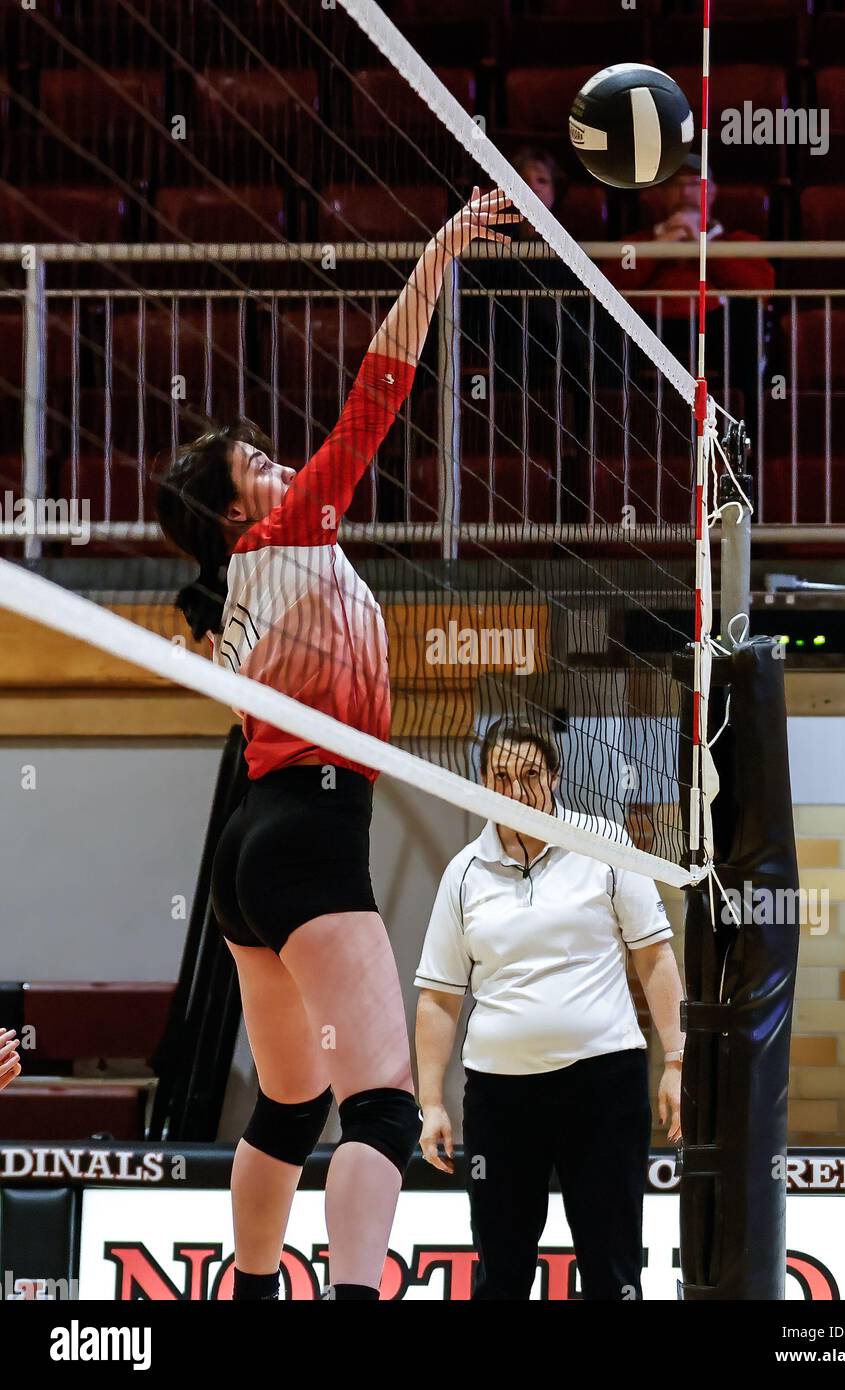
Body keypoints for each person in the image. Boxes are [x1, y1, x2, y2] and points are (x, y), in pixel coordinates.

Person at [154, 188, 518, 1302]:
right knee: (385, 1107)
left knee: (291, 1099)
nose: (277, 463)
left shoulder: (252, 586)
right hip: (310, 835)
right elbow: (379, 390)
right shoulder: (288, 530)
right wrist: (442, 251)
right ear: (234, 516)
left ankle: (252, 1290)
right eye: (254, 464)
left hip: (249, 856)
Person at [415, 720, 685, 1301]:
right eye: (502, 777)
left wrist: (679, 1062)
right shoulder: (463, 873)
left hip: (603, 1085)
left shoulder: (605, 844)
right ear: (483, 784)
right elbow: (439, 997)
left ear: (556, 777)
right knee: (501, 1276)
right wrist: (431, 1102)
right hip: (500, 1095)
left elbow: (655, 958)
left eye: (531, 775)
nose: (517, 790)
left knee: (613, 1275)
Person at [606, 153, 774, 414]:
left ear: (713, 192)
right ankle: (616, 436)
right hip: (648, 324)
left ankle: (744, 440)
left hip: (715, 323)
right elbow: (611, 282)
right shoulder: (636, 241)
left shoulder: (739, 241)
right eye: (675, 184)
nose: (685, 192)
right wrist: (659, 249)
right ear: (661, 194)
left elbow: (759, 287)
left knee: (747, 320)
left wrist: (700, 245)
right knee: (608, 324)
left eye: (696, 183)